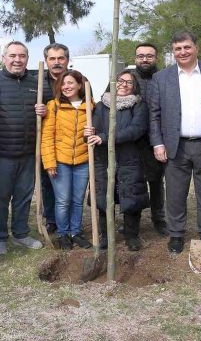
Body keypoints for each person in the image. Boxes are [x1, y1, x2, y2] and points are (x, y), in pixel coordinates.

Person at [148, 30, 201, 253]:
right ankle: (176, 234)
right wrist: (157, 143)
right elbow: (154, 114)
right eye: (178, 48)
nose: (182, 52)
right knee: (175, 193)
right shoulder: (161, 78)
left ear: (196, 48)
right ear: (173, 51)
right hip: (175, 145)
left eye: (187, 47)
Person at [0, 41, 45, 255]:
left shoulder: (37, 82)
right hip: (2, 152)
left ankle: (21, 233)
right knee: (1, 197)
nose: (17, 60)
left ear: (27, 59)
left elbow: (54, 106)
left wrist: (45, 109)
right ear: (4, 58)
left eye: (22, 56)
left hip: (29, 152)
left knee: (23, 196)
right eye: (12, 55)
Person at [85, 70, 149, 251]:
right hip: (104, 159)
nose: (124, 85)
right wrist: (88, 135)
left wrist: (104, 137)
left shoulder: (138, 106)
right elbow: (93, 132)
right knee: (105, 198)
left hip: (130, 159)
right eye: (120, 81)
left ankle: (131, 235)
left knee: (131, 199)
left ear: (134, 86)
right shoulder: (100, 106)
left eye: (129, 82)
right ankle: (106, 235)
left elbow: (136, 130)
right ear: (112, 83)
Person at [41, 70, 93, 250]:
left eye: (70, 83)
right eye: (63, 84)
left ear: (80, 85)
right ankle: (63, 233)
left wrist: (92, 133)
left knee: (77, 200)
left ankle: (75, 231)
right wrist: (49, 163)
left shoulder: (91, 107)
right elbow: (47, 137)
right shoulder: (54, 106)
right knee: (63, 200)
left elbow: (95, 133)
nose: (66, 87)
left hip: (83, 160)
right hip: (60, 162)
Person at [129, 42, 167, 236]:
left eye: (149, 56)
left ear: (156, 58)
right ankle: (132, 220)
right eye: (141, 56)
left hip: (156, 139)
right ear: (135, 58)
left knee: (156, 181)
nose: (145, 59)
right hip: (132, 140)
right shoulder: (127, 78)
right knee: (133, 181)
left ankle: (158, 218)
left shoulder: (164, 78)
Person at [39, 43, 71, 234]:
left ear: (67, 60)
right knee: (48, 182)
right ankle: (51, 218)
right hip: (46, 141)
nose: (57, 62)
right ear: (46, 61)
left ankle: (69, 221)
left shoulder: (77, 80)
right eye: (52, 58)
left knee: (69, 187)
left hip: (69, 141)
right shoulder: (37, 82)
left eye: (61, 58)